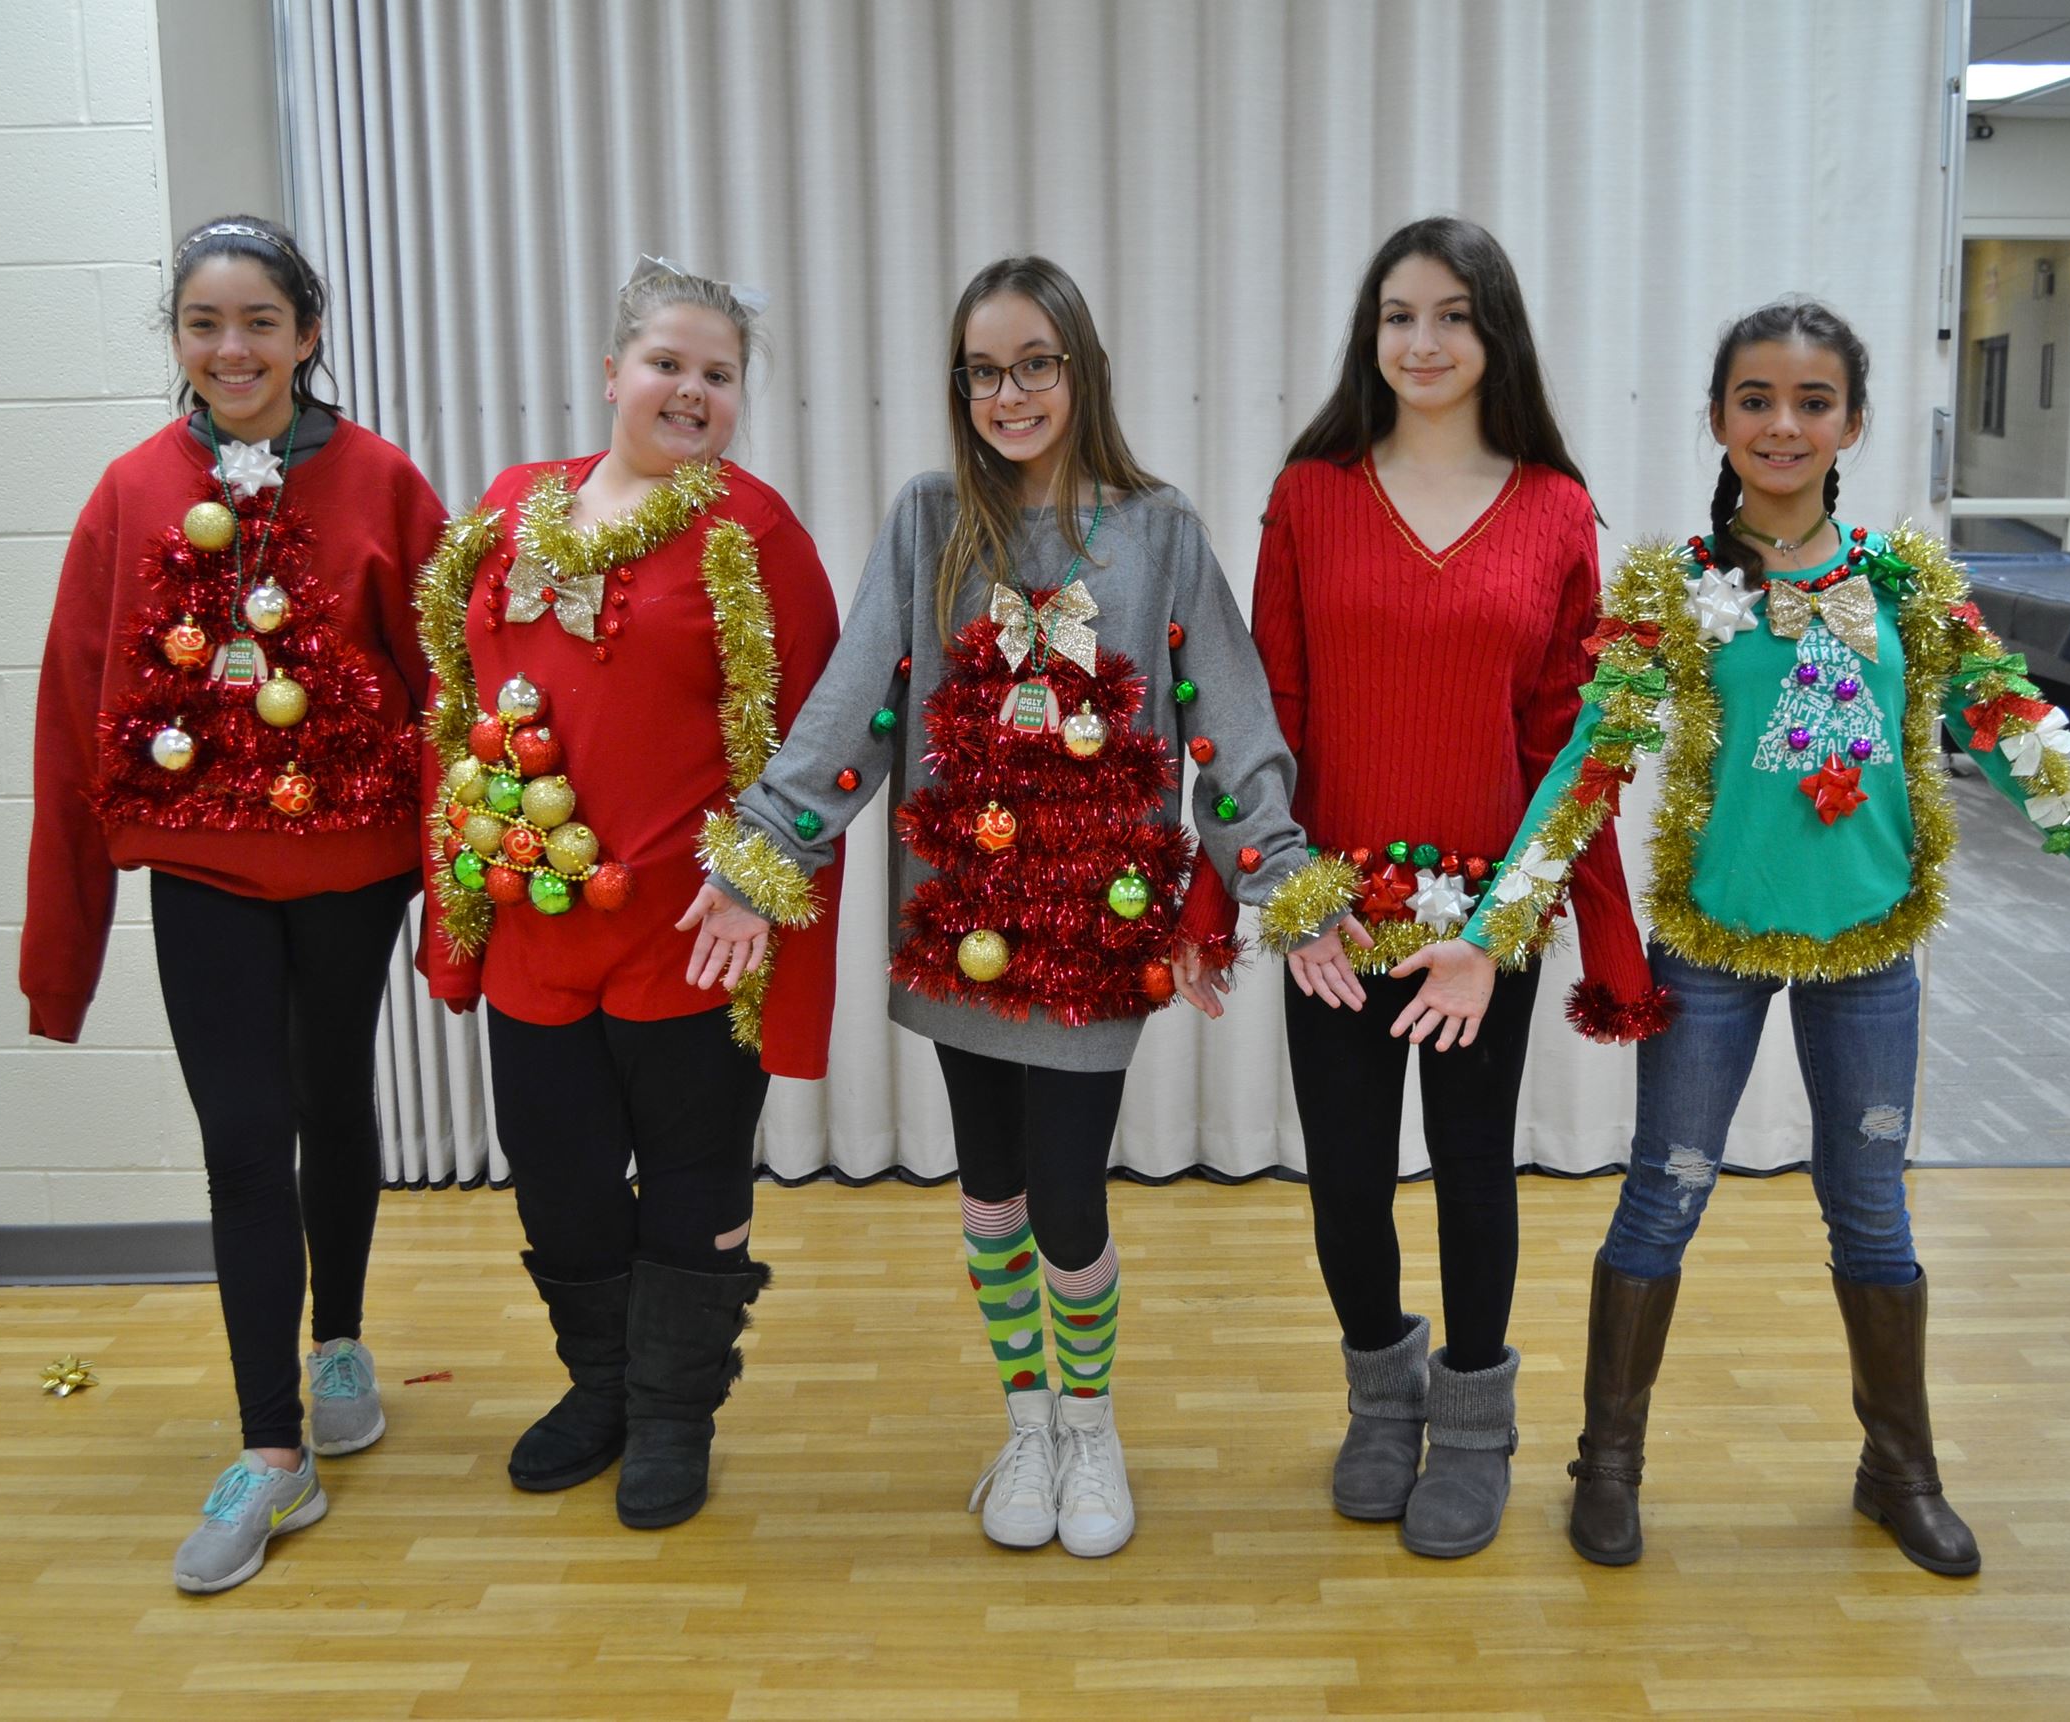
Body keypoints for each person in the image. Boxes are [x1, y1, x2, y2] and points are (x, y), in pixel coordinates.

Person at [1406, 298, 2070, 1577]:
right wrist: (1491, 929)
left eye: (1811, 402)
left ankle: (1896, 1470)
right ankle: (1610, 1464)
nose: (1782, 424)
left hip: (1867, 959)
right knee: (1660, 1203)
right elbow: (1585, 769)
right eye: (1755, 400)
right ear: (1717, 421)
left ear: (1851, 421)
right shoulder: (1672, 596)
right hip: (1713, 953)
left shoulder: (1907, 589)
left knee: (1871, 1216)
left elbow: (2015, 734)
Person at [679, 256, 1363, 1558]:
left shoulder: (1157, 531)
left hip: (1097, 942)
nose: (1011, 392)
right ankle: (1031, 1417)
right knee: (987, 1190)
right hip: (955, 927)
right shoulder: (931, 519)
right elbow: (848, 703)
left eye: (1035, 362)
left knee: (1067, 1199)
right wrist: (765, 852)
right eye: (985, 369)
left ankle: (1093, 1420)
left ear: (1079, 369)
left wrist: (1281, 878)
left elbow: (1229, 718)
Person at [1177, 217, 1655, 1559]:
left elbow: (1574, 742)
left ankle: (1478, 1424)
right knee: (1342, 1178)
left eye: (1454, 314)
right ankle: (1381, 1396)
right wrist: (1252, 898)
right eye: (1400, 314)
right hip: (1327, 910)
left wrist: (1511, 931)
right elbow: (1262, 706)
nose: (1426, 341)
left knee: (1470, 1172)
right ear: (1368, 333)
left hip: (1481, 929)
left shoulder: (1556, 508)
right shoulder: (1312, 491)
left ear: (1495, 332)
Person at [23, 215, 443, 1593]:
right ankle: (272, 1448)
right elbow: (71, 707)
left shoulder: (382, 480)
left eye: (260, 320)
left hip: (355, 862)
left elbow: (449, 691)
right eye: (205, 323)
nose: (233, 347)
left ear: (308, 334)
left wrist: (459, 911)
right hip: (198, 866)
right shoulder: (134, 489)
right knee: (243, 1134)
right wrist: (58, 946)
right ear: (180, 342)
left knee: (332, 1097)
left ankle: (340, 1341)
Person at [416, 259, 842, 1532]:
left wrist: (762, 885)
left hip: (687, 937)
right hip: (537, 930)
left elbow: (822, 739)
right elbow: (454, 694)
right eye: (667, 363)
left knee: (694, 1187)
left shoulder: (752, 532)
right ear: (612, 374)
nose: (690, 391)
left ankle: (672, 1413)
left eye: (719, 375)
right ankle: (598, 1386)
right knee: (559, 1186)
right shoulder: (505, 511)